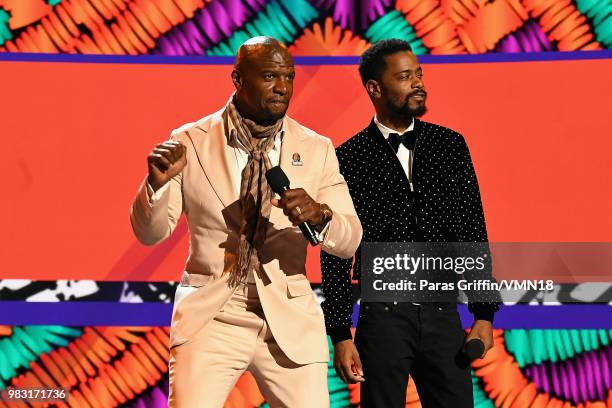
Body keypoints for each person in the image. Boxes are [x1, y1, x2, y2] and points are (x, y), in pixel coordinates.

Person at [130, 36, 362, 408]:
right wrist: (155, 185)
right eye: (270, 76)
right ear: (238, 79)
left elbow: (350, 239)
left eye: (289, 77)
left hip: (288, 317)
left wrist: (322, 216)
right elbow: (150, 233)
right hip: (213, 315)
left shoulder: (316, 148)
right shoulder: (190, 141)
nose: (283, 88)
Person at [321, 39, 501, 407]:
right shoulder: (347, 158)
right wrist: (340, 333)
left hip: (443, 314)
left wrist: (483, 312)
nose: (418, 83)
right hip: (382, 318)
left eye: (419, 74)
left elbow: (472, 229)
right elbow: (336, 249)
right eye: (405, 77)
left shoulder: (450, 145)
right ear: (375, 88)